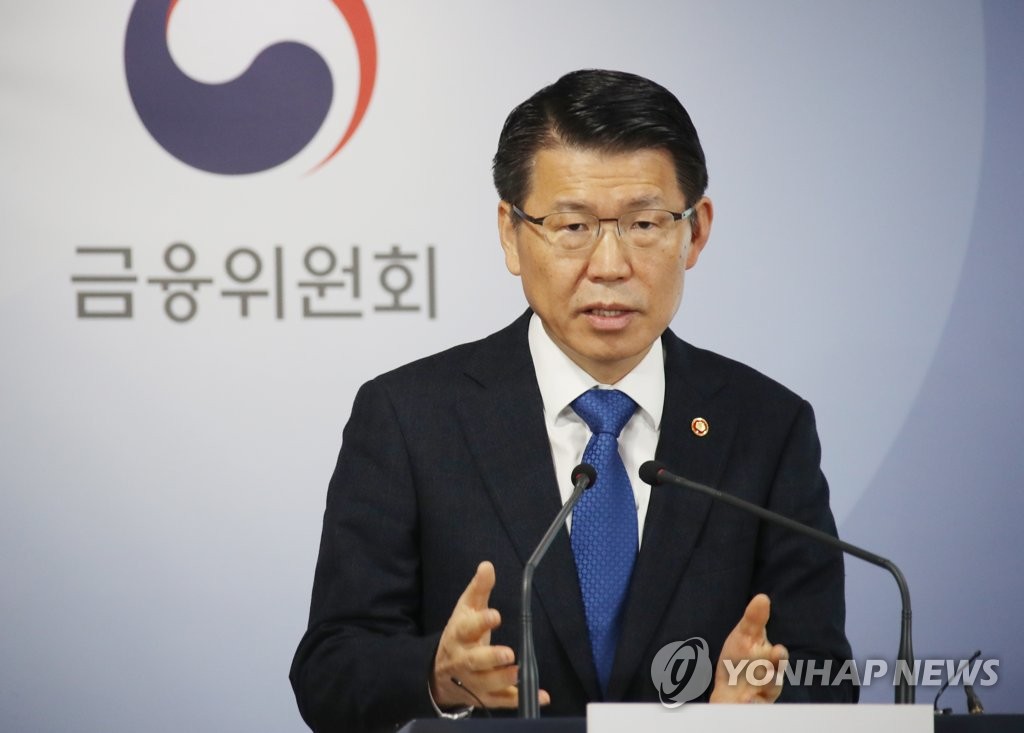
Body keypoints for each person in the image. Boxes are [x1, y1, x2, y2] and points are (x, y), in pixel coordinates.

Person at [290, 69, 856, 732]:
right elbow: (330, 671)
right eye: (572, 225)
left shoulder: (766, 426)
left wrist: (758, 714)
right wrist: (437, 674)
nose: (610, 265)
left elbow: (825, 673)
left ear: (695, 232)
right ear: (511, 233)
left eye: (644, 223)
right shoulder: (409, 418)